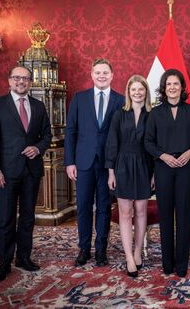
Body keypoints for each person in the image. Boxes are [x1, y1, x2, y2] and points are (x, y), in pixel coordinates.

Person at [0, 65, 52, 284]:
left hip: (31, 171)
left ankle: (23, 257)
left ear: (30, 82)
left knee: (27, 217)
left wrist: (38, 148)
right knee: (5, 218)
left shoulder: (39, 106)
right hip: (5, 172)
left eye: (25, 78)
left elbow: (47, 135)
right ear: (10, 80)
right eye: (17, 78)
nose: (21, 82)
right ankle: (3, 263)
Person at [64, 58, 124, 267]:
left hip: (108, 165)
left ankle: (101, 250)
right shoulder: (79, 99)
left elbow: (122, 135)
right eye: (97, 72)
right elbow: (70, 131)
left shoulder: (120, 100)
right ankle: (84, 249)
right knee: (83, 207)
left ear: (112, 75)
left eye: (105, 72)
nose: (101, 76)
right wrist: (69, 162)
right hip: (83, 162)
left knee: (104, 207)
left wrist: (116, 166)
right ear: (91, 75)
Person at [144, 69, 190, 278]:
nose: (173, 88)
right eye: (169, 84)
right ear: (164, 88)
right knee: (165, 217)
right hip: (163, 168)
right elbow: (148, 142)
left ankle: (182, 264)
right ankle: (167, 263)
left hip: (185, 168)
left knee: (184, 216)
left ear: (182, 87)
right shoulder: (155, 113)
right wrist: (163, 156)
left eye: (176, 84)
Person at [105, 75, 153, 278]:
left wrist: (154, 175)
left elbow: (155, 147)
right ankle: (128, 257)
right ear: (128, 92)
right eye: (133, 89)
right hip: (122, 164)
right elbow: (111, 143)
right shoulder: (119, 114)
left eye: (141, 89)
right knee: (125, 213)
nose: (137, 93)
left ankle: (137, 251)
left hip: (144, 165)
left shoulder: (153, 115)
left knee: (141, 211)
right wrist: (111, 172)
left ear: (146, 92)